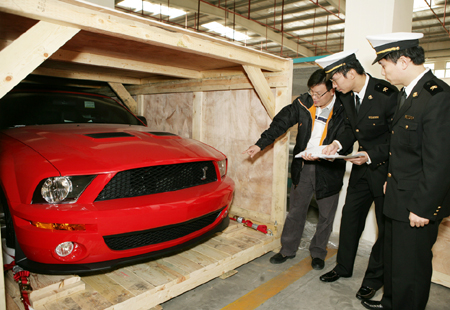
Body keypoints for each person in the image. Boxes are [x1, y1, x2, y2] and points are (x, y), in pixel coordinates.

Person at [360, 32, 450, 310]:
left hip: (417, 204)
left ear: (403, 61)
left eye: (384, 64)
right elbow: (404, 149)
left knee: (410, 269)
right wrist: (391, 179)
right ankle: (391, 303)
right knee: (394, 260)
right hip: (398, 194)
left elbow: (440, 160)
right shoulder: (407, 93)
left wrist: (424, 207)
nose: (383, 71)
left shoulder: (437, 96)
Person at [243, 69, 347, 270]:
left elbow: (349, 134)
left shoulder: (344, 108)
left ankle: (318, 252)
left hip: (330, 168)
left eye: (319, 94)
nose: (314, 97)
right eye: (311, 92)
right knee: (296, 211)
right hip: (304, 165)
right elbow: (281, 123)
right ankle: (287, 249)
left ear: (332, 90)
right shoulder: (303, 103)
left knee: (326, 214)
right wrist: (260, 144)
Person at [315, 50, 398, 301]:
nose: (334, 86)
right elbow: (353, 127)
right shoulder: (348, 96)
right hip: (361, 169)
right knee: (350, 219)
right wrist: (338, 144)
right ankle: (343, 267)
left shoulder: (387, 95)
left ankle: (373, 279)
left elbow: (399, 139)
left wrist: (371, 154)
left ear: (351, 73)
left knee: (385, 229)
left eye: (335, 80)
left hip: (387, 171)